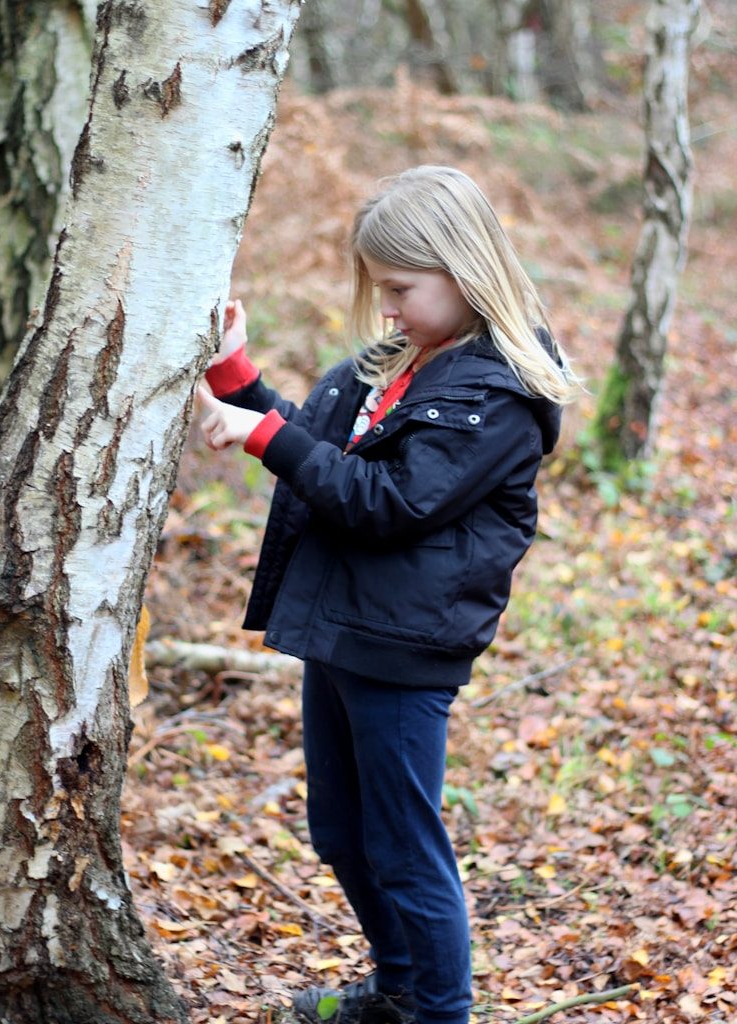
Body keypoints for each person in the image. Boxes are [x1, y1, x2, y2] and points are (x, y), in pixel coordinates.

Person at [197, 165, 578, 1024]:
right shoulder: (397, 363)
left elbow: (392, 502)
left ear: (463, 269)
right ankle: (400, 985)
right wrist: (237, 377)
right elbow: (320, 452)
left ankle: (440, 1011)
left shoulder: (494, 394)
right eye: (381, 289)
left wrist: (260, 439)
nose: (390, 308)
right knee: (342, 833)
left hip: (405, 649)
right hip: (343, 628)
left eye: (402, 288)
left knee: (404, 849)